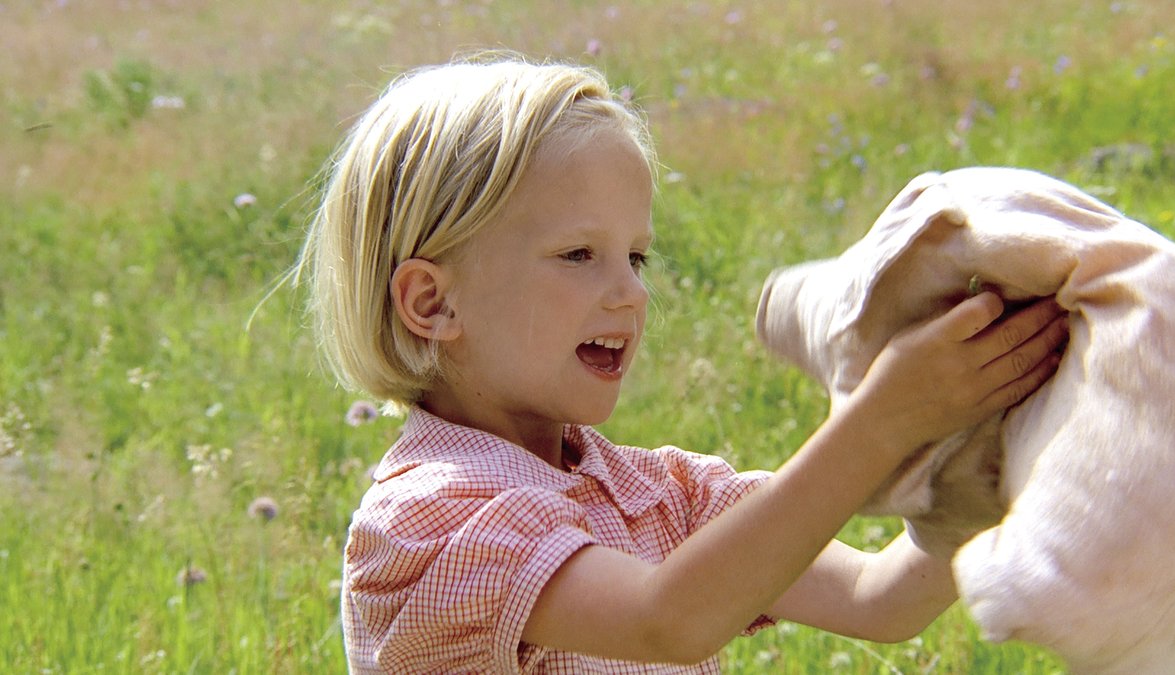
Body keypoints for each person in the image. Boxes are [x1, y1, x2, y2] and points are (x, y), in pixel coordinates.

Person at [293, 54, 1068, 673]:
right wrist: (883, 419)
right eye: (578, 254)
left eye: (636, 256)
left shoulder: (658, 496)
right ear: (432, 304)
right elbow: (669, 618)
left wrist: (992, 448)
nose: (630, 292)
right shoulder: (428, 518)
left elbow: (878, 599)